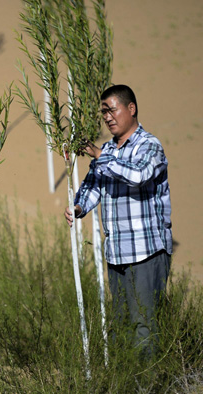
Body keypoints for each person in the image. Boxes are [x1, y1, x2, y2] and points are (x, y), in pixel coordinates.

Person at [64, 84, 172, 357]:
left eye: (112, 110)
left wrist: (100, 155)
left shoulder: (149, 146)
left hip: (146, 252)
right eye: (104, 113)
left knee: (145, 327)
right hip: (117, 255)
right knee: (122, 326)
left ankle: (150, 384)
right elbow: (93, 185)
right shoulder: (109, 150)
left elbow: (137, 176)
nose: (108, 117)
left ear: (131, 109)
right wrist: (78, 207)